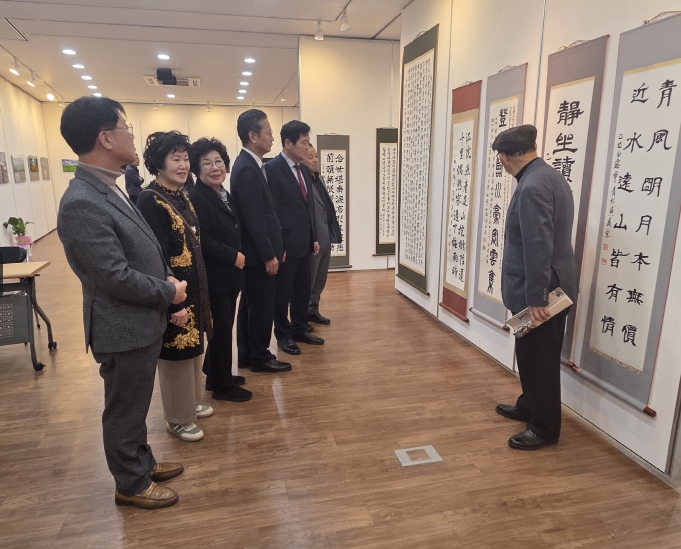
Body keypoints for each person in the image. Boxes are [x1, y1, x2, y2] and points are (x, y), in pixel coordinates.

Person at [57, 96, 187, 509]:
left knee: (136, 403)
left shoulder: (107, 185)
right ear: (106, 138)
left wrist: (165, 275)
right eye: (126, 128)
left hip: (138, 320)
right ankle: (130, 483)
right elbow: (113, 276)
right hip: (122, 325)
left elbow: (140, 247)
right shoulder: (82, 200)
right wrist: (169, 292)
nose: (132, 136)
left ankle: (141, 461)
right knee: (125, 408)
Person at [493, 124, 578, 451]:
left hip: (543, 291)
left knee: (540, 360)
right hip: (554, 282)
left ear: (504, 157)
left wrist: (537, 298)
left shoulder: (531, 186)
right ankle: (529, 405)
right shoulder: (550, 176)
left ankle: (544, 427)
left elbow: (538, 245)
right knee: (531, 354)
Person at [137, 131, 214, 443]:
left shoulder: (180, 195)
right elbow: (154, 257)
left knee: (193, 351)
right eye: (175, 159)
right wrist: (174, 302)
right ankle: (177, 419)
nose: (183, 165)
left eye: (185, 159)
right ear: (159, 163)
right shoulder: (150, 200)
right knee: (175, 356)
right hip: (174, 294)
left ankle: (190, 403)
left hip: (194, 291)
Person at [188, 137, 252, 402]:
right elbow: (202, 239)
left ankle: (216, 374)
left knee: (223, 327)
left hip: (229, 275)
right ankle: (222, 387)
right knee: (221, 330)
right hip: (215, 275)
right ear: (196, 168)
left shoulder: (222, 193)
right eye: (207, 163)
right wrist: (233, 256)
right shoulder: (197, 197)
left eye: (218, 162)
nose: (215, 168)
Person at [230, 109, 292, 373]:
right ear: (253, 136)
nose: (272, 138)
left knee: (251, 305)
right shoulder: (247, 169)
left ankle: (248, 355)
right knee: (261, 308)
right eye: (268, 133)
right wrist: (269, 254)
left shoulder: (251, 165)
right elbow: (255, 219)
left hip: (257, 254)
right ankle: (260, 357)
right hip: (258, 256)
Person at [265, 121, 323, 355]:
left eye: (308, 142)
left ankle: (300, 328)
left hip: (305, 242)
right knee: (282, 293)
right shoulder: (272, 169)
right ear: (288, 143)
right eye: (304, 143)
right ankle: (283, 334)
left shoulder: (303, 170)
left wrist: (314, 237)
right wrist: (278, 246)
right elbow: (272, 211)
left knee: (302, 290)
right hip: (286, 246)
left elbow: (309, 208)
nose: (307, 148)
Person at [301, 145, 342, 326]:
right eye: (310, 157)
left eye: (316, 156)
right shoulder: (302, 183)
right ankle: (300, 316)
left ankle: (313, 310)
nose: (315, 160)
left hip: (326, 236)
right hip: (313, 239)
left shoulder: (319, 179)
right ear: (301, 160)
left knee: (320, 278)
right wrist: (313, 238)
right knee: (308, 280)